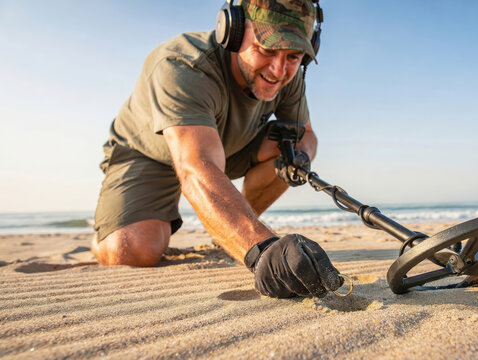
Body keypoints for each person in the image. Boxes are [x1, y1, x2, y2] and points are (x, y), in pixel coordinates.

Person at [91, 0, 342, 298]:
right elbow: (196, 165)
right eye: (266, 49)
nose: (278, 69)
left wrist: (301, 156)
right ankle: (106, 227)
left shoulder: (290, 75)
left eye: (293, 55)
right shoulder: (182, 64)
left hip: (229, 146)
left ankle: (232, 228)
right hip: (148, 154)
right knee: (132, 250)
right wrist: (262, 249)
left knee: (289, 144)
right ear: (233, 31)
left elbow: (307, 135)